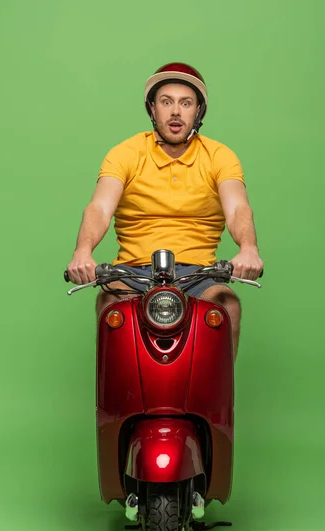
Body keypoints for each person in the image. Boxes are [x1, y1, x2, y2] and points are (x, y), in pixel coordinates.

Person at [66, 62, 263, 360]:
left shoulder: (220, 156)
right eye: (166, 102)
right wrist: (82, 251)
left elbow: (237, 208)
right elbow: (100, 207)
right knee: (110, 303)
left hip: (198, 275)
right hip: (132, 271)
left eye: (185, 103)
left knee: (227, 305)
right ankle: (117, 404)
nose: (175, 111)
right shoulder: (126, 153)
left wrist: (248, 248)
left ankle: (217, 403)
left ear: (198, 111)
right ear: (152, 109)